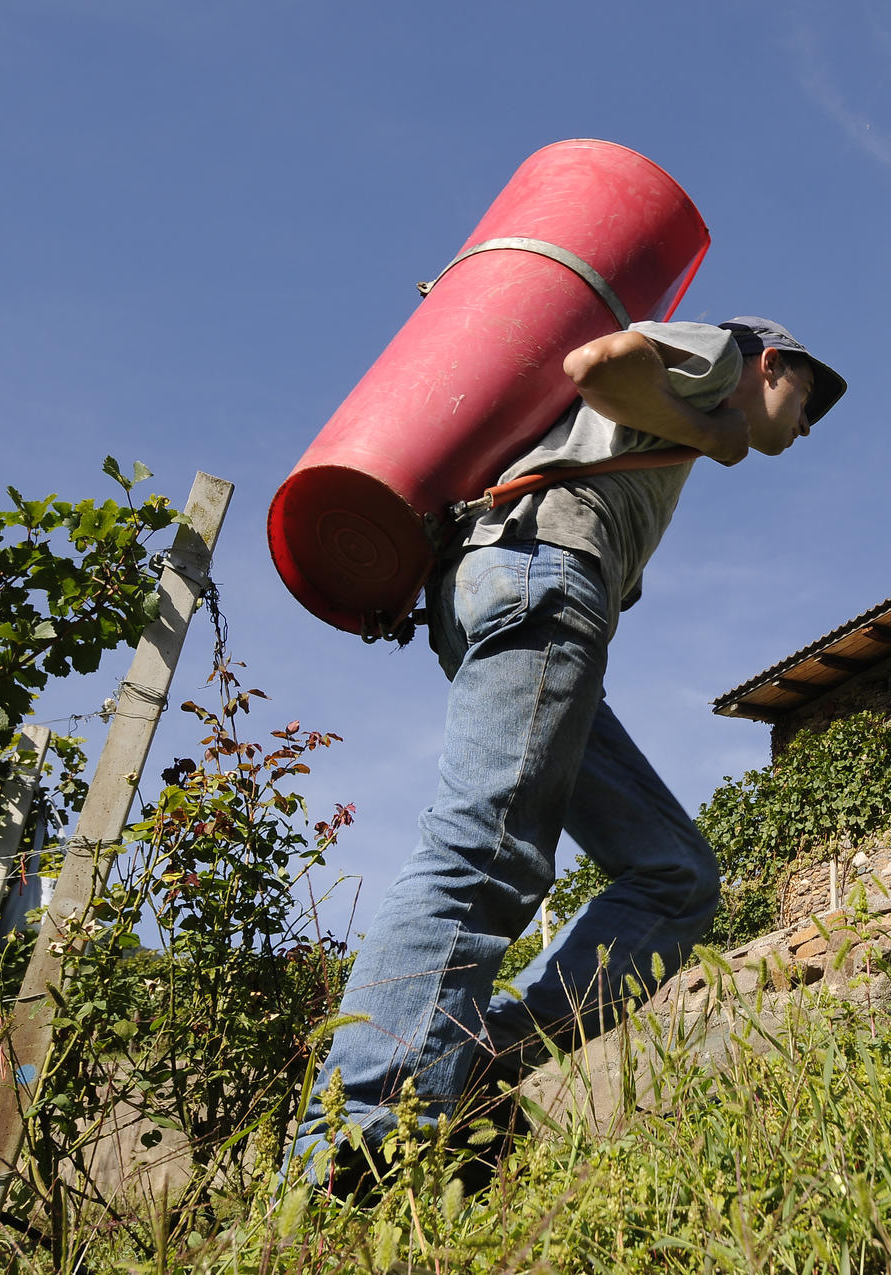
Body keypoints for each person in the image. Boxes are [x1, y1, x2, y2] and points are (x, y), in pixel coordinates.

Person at [292, 316, 846, 1188]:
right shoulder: (723, 355)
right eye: (807, 399)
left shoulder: (691, 394)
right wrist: (715, 434)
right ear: (772, 364)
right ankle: (360, 1135)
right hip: (542, 575)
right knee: (485, 849)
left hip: (510, 582)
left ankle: (472, 1057)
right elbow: (600, 362)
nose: (806, 425)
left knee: (674, 876)